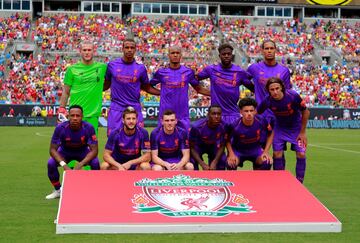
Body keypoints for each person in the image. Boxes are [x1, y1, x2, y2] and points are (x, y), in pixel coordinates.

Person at [257, 77, 310, 183]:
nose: (275, 92)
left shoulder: (292, 96)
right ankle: (279, 181)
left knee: (301, 154)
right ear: (268, 90)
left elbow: (306, 112)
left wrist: (303, 132)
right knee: (277, 154)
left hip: (296, 128)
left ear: (282, 87)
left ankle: (300, 182)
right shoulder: (267, 100)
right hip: (280, 127)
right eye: (272, 90)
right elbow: (258, 112)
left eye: (277, 88)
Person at [104, 38, 159, 135]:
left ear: (135, 49)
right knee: (113, 141)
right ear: (122, 49)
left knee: (137, 141)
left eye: (132, 47)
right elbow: (106, 85)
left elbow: (146, 87)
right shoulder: (112, 65)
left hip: (134, 108)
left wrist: (162, 92)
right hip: (117, 108)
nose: (129, 50)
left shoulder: (141, 68)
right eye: (127, 47)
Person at [150, 45, 209, 132]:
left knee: (184, 143)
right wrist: (161, 92)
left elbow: (198, 89)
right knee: (165, 142)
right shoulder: (161, 72)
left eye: (177, 53)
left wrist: (215, 93)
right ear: (168, 55)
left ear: (181, 55)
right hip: (166, 115)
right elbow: (148, 86)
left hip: (182, 115)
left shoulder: (188, 72)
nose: (175, 55)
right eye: (172, 53)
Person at [45, 105, 100, 199]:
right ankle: (58, 190)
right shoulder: (60, 128)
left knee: (95, 162)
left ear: (82, 117)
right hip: (64, 152)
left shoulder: (89, 127)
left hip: (82, 151)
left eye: (77, 116)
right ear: (68, 116)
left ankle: (94, 189)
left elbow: (94, 150)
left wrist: (81, 164)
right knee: (51, 163)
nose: (75, 118)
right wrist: (64, 165)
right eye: (72, 115)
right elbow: (52, 150)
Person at [197, 43, 253, 127]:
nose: (226, 56)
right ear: (219, 56)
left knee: (233, 140)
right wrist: (204, 91)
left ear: (232, 55)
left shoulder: (239, 72)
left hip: (233, 114)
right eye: (224, 54)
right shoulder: (211, 69)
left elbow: (254, 88)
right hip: (216, 115)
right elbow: (193, 79)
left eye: (228, 54)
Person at [58, 41, 107, 135]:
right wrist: (62, 108)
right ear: (80, 51)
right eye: (84, 50)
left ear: (94, 51)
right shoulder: (72, 69)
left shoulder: (102, 68)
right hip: (75, 114)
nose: (87, 52)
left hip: (93, 115)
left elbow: (112, 80)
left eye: (89, 50)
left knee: (91, 146)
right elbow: (66, 91)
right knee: (73, 145)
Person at [247, 40, 292, 118]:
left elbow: (286, 93)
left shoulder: (284, 71)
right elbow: (243, 80)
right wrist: (255, 89)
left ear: (275, 50)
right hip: (261, 115)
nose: (269, 51)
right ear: (262, 51)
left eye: (271, 48)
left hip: (278, 115)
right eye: (266, 48)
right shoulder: (254, 68)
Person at [226, 98, 274, 170]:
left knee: (266, 162)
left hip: (255, 150)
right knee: (230, 164)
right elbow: (227, 139)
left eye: (251, 111)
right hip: (239, 151)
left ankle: (258, 180)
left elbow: (271, 133)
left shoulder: (262, 121)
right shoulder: (234, 125)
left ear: (255, 111)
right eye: (246, 111)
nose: (249, 114)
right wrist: (231, 154)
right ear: (241, 112)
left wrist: (266, 151)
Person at [189, 105, 227, 170]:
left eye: (218, 114)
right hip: (199, 147)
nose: (216, 116)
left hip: (213, 146)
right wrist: (202, 164)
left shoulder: (224, 126)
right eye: (213, 114)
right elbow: (192, 147)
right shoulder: (196, 127)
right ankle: (195, 178)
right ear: (208, 115)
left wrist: (215, 162)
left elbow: (222, 146)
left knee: (223, 159)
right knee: (192, 160)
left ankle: (219, 178)